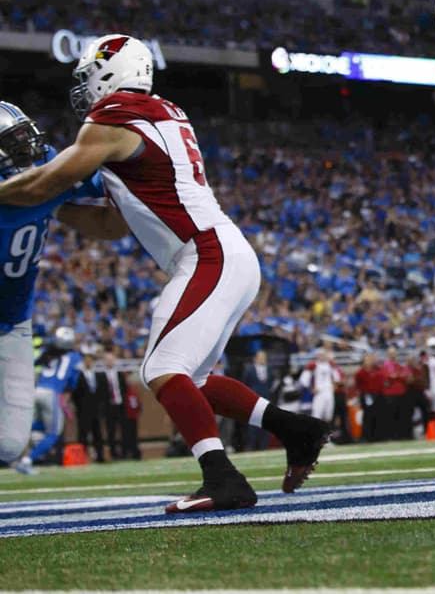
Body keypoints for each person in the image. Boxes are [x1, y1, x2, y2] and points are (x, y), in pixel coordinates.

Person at [0, 35, 331, 511]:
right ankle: (297, 430)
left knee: (161, 369)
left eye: (86, 75)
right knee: (190, 382)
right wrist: (49, 202)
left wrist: (32, 192)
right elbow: (110, 225)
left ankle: (222, 479)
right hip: (222, 253)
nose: (81, 88)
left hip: (206, 255)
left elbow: (50, 179)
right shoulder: (154, 115)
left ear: (110, 72)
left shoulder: (115, 115)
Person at [0, 101, 107, 475]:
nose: (29, 148)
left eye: (23, 137)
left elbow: (105, 184)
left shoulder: (44, 166)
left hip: (14, 321)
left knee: (10, 444)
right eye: (13, 144)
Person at [27, 327, 86, 467]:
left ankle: (20, 430)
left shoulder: (46, 352)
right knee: (53, 432)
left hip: (37, 390)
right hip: (52, 393)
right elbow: (73, 383)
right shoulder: (75, 357)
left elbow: (33, 363)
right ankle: (28, 459)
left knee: (40, 426)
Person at [96, 346, 129, 461]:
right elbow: (100, 393)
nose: (109, 361)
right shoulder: (100, 375)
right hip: (109, 406)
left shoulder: (119, 374)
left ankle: (125, 452)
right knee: (111, 431)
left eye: (111, 359)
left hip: (120, 404)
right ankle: (113, 453)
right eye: (107, 359)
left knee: (124, 429)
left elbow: (124, 389)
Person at [300, 347, 343, 432]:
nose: (322, 356)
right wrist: (311, 388)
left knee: (328, 416)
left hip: (329, 392)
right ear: (317, 355)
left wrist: (334, 386)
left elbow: (337, 378)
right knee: (317, 415)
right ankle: (314, 436)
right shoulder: (313, 365)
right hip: (319, 393)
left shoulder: (330, 365)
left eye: (324, 355)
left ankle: (326, 437)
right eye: (320, 355)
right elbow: (303, 380)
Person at [240, 350, 276, 451]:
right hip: (254, 399)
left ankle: (264, 446)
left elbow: (272, 383)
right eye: (260, 357)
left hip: (266, 399)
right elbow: (245, 383)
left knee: (266, 423)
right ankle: (251, 446)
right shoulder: (249, 369)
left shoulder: (270, 369)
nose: (262, 359)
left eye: (263, 357)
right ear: (256, 358)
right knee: (253, 424)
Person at [354, 352, 384, 442]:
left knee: (377, 416)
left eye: (370, 359)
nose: (369, 361)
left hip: (377, 395)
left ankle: (377, 436)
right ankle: (367, 437)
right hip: (366, 396)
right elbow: (357, 385)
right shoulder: (360, 372)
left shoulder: (377, 370)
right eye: (367, 359)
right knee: (367, 417)